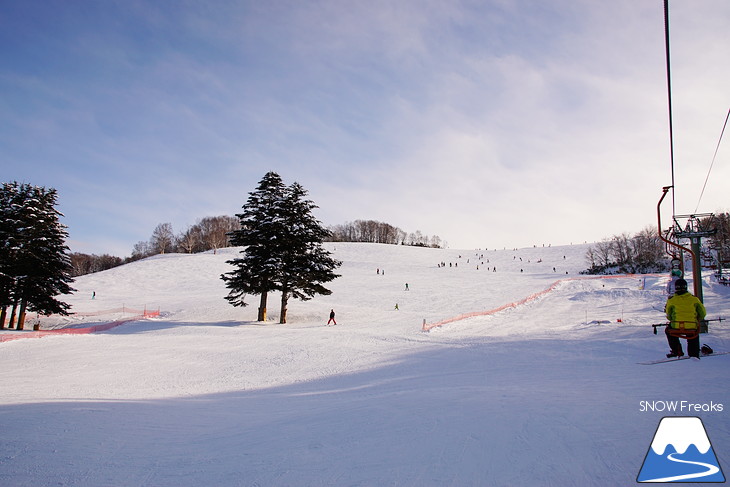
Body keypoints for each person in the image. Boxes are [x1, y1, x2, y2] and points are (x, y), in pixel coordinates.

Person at [664, 278, 706, 358]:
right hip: (692, 325)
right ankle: (693, 353)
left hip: (676, 325)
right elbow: (703, 313)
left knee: (668, 331)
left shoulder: (672, 300)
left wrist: (672, 320)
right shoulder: (694, 299)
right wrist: (697, 319)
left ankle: (676, 351)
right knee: (693, 334)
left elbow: (668, 314)